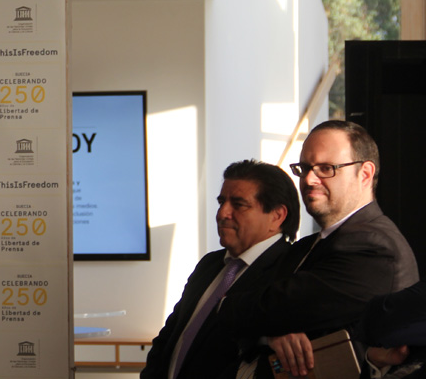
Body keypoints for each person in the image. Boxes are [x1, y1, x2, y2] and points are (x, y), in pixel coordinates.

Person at [218, 120, 419, 377]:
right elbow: (241, 311)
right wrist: (270, 335)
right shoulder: (309, 245)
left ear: (365, 174)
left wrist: (257, 321)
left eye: (326, 168)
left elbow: (258, 309)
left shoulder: (374, 247)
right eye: (304, 168)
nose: (309, 179)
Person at [142, 160, 300, 379]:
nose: (222, 213)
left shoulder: (291, 271)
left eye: (238, 204)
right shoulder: (210, 264)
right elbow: (170, 337)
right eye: (221, 202)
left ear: (277, 216)